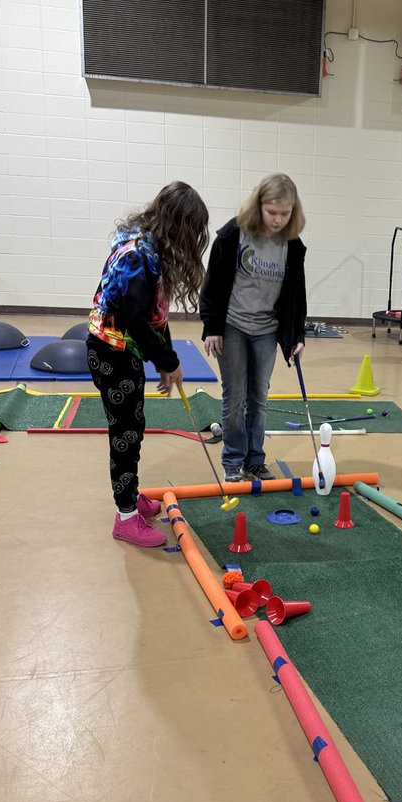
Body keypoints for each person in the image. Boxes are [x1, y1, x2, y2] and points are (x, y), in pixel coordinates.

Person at [87, 182, 209, 547]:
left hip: (124, 351)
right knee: (125, 435)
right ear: (178, 224)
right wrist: (167, 360)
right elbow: (134, 318)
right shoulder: (138, 255)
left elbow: (155, 314)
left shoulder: (150, 247)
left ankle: (131, 498)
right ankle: (125, 517)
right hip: (112, 353)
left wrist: (165, 357)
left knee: (133, 427)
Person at [200, 173, 307, 482]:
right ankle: (233, 462)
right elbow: (213, 284)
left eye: (285, 213)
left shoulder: (293, 245)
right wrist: (212, 326)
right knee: (235, 397)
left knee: (259, 397)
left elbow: (296, 295)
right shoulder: (234, 234)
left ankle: (254, 460)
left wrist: (296, 335)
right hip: (232, 324)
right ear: (259, 205)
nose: (278, 220)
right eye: (272, 212)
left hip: (267, 330)